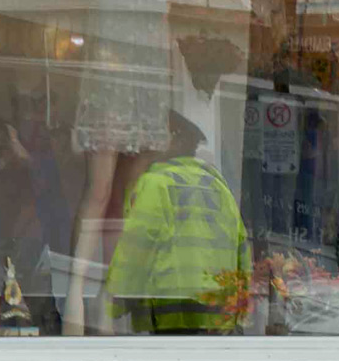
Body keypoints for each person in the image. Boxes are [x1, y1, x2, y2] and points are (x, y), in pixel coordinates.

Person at [103, 112, 251, 334]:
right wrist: (242, 306)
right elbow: (241, 244)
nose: (146, 147)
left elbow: (138, 244)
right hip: (219, 307)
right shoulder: (219, 186)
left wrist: (115, 303)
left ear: (175, 142)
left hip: (171, 307)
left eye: (155, 139)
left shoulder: (157, 183)